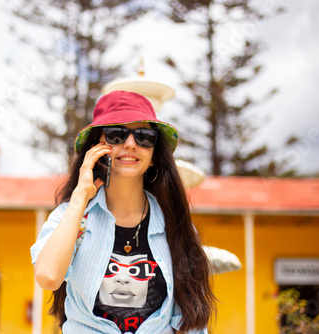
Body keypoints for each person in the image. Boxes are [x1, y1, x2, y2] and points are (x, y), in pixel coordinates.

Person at [30, 90, 216, 333]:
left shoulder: (176, 224)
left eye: (144, 136)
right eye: (116, 134)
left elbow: (190, 317)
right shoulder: (70, 215)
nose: (130, 143)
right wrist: (80, 197)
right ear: (96, 148)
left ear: (153, 156)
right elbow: (48, 277)